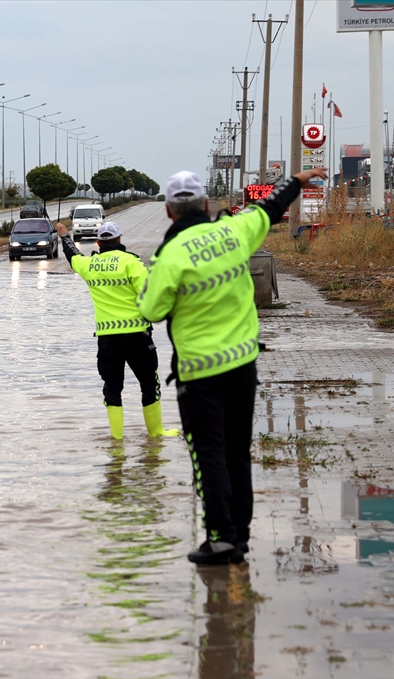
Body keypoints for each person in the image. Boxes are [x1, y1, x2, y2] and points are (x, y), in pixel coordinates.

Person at [138, 167, 328, 565]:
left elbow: (150, 309)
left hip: (199, 375)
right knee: (238, 452)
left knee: (209, 454)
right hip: (243, 366)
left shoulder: (168, 256)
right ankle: (239, 535)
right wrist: (295, 180)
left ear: (170, 212)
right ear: (206, 205)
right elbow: (271, 207)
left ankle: (221, 539)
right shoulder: (233, 231)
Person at [61, 221, 179, 440]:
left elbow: (73, 256)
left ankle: (116, 440)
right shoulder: (131, 262)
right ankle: (156, 433)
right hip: (138, 337)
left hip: (107, 340)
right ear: (119, 239)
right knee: (149, 383)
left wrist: (65, 236)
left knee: (112, 387)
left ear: (98, 242)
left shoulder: (90, 265)